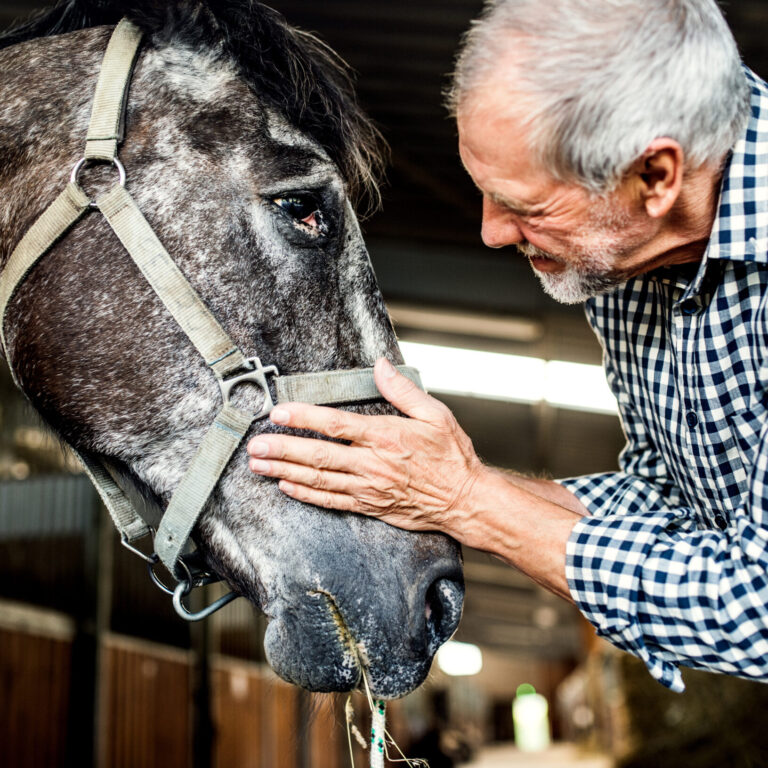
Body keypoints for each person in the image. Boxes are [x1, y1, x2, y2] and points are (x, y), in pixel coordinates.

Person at [246, 0, 768, 692]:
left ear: (656, 177)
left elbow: (755, 607)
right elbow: (671, 502)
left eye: (527, 207)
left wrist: (468, 500)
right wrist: (435, 485)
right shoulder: (629, 256)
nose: (492, 233)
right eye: (487, 195)